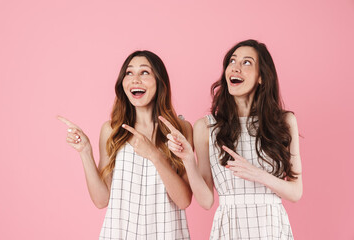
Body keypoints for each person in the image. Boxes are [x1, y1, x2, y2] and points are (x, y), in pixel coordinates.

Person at [161, 39, 303, 239]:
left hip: (271, 226)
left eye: (246, 63)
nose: (235, 68)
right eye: (232, 61)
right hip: (229, 227)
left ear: (261, 77)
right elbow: (206, 201)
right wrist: (187, 159)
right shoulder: (207, 127)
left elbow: (296, 192)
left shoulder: (285, 121)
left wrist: (258, 174)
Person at [58, 50, 193, 240]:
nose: (135, 79)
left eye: (144, 72)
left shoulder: (180, 130)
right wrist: (85, 152)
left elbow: (184, 200)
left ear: (160, 81)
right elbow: (101, 200)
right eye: (129, 73)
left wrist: (154, 155)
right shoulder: (111, 131)